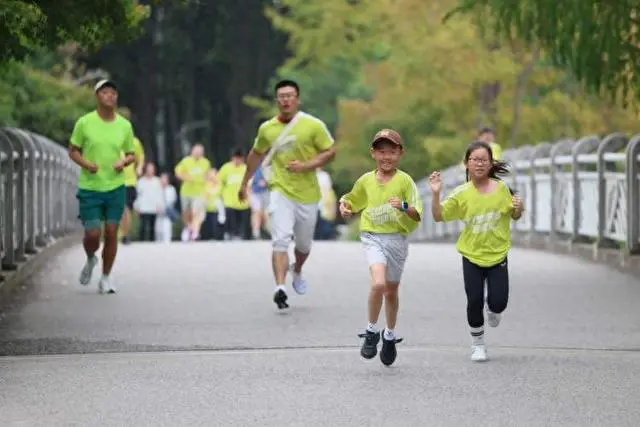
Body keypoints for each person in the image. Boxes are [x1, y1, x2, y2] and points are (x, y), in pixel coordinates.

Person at [238, 79, 337, 310]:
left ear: (297, 99)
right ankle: (280, 287)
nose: (286, 100)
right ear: (277, 100)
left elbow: (329, 152)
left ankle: (298, 269)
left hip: (308, 194)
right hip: (280, 191)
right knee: (280, 239)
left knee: (303, 246)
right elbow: (255, 155)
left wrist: (306, 166)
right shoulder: (267, 129)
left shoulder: (313, 125)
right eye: (281, 96)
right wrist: (245, 183)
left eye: (290, 95)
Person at [429, 140, 523, 362]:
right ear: (466, 164)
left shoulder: (501, 189)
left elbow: (515, 214)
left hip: (498, 254)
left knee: (499, 303)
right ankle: (477, 344)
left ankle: (494, 308)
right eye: (475, 160)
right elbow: (438, 216)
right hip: (471, 255)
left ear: (491, 164)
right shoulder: (461, 193)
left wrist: (519, 209)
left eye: (484, 160)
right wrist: (435, 194)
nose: (479, 164)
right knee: (474, 300)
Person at [339, 129, 422, 367]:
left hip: (397, 239)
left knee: (391, 292)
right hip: (372, 236)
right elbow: (351, 200)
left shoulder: (405, 181)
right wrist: (345, 207)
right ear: (373, 153)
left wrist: (404, 206)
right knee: (378, 283)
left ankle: (389, 335)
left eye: (392, 152)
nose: (387, 157)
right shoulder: (366, 180)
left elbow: (417, 214)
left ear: (401, 154)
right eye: (382, 152)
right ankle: (371, 330)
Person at [68, 79, 135, 294]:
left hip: (115, 186)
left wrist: (123, 162)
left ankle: (106, 277)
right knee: (93, 234)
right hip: (90, 187)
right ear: (97, 96)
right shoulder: (84, 123)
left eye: (113, 93)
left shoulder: (124, 126)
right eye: (105, 93)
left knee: (112, 231)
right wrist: (87, 164)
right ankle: (90, 258)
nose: (110, 96)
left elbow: (131, 154)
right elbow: (73, 150)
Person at [174, 144, 211, 241]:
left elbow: (208, 176)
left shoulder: (205, 163)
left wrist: (208, 189)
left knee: (196, 212)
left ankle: (195, 232)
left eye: (200, 152)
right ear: (192, 152)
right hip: (186, 191)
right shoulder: (186, 161)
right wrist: (186, 178)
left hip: (199, 192)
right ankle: (189, 228)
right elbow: (177, 173)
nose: (198, 154)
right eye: (196, 152)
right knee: (186, 213)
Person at [218, 148, 251, 240]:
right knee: (230, 219)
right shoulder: (226, 168)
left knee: (242, 220)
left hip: (243, 200)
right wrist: (220, 194)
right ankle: (230, 233)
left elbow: (250, 184)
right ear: (232, 158)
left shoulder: (245, 168)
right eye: (236, 158)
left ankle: (241, 235)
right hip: (229, 200)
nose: (237, 161)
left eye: (239, 159)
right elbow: (220, 181)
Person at [120, 134, 145, 244]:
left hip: (130, 182)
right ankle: (122, 234)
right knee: (121, 210)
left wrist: (139, 167)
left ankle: (125, 235)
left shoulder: (135, 142)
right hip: (114, 182)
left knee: (126, 209)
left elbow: (141, 156)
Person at [134, 162, 164, 242]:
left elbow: (160, 195)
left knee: (152, 226)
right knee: (143, 226)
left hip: (154, 207)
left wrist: (159, 206)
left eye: (152, 169)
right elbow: (138, 195)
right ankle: (141, 241)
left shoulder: (157, 181)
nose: (150, 171)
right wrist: (137, 206)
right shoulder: (141, 181)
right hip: (143, 207)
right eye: (148, 169)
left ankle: (152, 242)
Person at [202, 169, 226, 240]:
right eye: (210, 175)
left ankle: (219, 236)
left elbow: (222, 195)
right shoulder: (205, 185)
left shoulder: (220, 184)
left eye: (214, 175)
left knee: (218, 202)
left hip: (217, 208)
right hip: (208, 208)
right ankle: (208, 236)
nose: (212, 177)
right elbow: (204, 197)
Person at [155, 172, 178, 243]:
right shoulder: (157, 189)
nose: (163, 180)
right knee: (158, 231)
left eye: (164, 178)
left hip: (167, 214)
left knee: (167, 231)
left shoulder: (171, 189)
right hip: (158, 214)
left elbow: (172, 201)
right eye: (161, 178)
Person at [249, 165, 270, 240]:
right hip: (255, 192)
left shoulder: (269, 165)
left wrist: (267, 182)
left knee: (266, 214)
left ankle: (267, 230)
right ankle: (256, 232)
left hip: (266, 192)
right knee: (256, 212)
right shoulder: (251, 165)